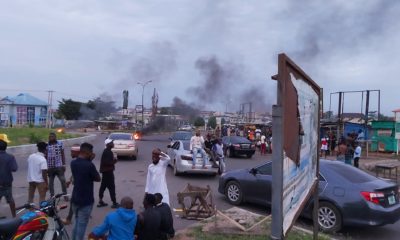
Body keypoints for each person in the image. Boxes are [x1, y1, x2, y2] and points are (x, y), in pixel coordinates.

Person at [70, 142, 101, 240]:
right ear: (88, 153)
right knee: (82, 225)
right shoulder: (89, 165)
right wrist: (90, 161)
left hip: (75, 198)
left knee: (76, 221)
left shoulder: (73, 163)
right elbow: (98, 178)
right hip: (86, 200)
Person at [97, 139, 119, 208]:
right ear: (108, 144)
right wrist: (114, 161)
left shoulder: (107, 151)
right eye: (111, 142)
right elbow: (107, 162)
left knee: (103, 186)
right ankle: (114, 203)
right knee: (111, 187)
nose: (113, 143)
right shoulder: (108, 152)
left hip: (105, 172)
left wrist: (113, 161)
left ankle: (100, 201)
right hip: (108, 172)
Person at [62, 144, 80, 226]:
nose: (70, 154)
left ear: (76, 152)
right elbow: (74, 173)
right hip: (79, 186)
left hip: (80, 187)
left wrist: (71, 181)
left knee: (74, 201)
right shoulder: (77, 161)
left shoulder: (76, 162)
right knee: (76, 202)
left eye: (72, 152)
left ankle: (69, 219)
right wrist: (69, 180)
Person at [46, 132, 68, 198]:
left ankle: (65, 195)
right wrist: (46, 167)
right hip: (50, 167)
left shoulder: (60, 143)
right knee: (50, 183)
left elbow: (62, 154)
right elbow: (45, 156)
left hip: (59, 166)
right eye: (50, 137)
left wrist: (64, 164)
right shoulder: (46, 145)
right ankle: (52, 195)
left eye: (52, 136)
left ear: (55, 137)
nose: (51, 138)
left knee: (63, 180)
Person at [0, 139, 18, 217]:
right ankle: (14, 216)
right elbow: (14, 168)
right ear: (6, 147)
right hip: (7, 182)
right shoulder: (10, 157)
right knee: (10, 199)